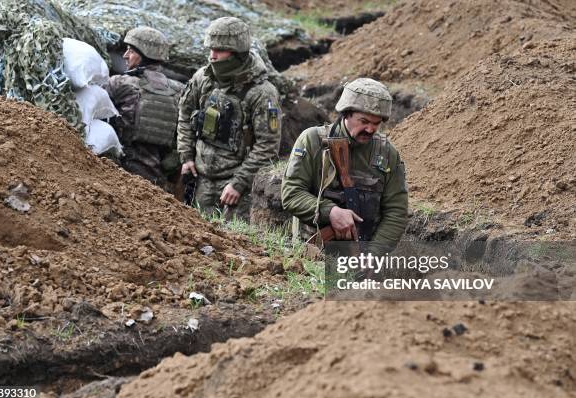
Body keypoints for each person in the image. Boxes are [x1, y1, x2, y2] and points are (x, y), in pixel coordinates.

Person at [281, 78, 408, 249]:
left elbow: (396, 212)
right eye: (364, 121)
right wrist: (330, 212)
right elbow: (291, 194)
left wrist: (374, 255)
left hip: (362, 254)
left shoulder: (387, 154)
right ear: (346, 113)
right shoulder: (312, 141)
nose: (370, 129)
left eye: (376, 124)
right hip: (311, 254)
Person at [177, 17, 281, 219]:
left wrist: (238, 183)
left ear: (236, 54)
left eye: (219, 51)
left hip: (237, 188)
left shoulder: (262, 93)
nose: (212, 56)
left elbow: (268, 145)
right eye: (211, 49)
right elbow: (184, 115)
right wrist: (186, 156)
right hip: (201, 180)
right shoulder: (203, 78)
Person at [105, 26, 184, 192]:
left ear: (145, 55)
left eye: (131, 51)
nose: (125, 56)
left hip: (118, 174)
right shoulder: (180, 91)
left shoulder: (121, 83)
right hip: (158, 184)